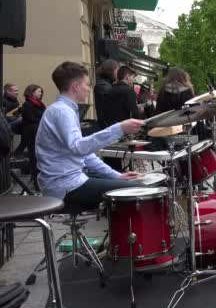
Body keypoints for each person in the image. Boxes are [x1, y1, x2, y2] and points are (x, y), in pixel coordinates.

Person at [35, 61, 144, 208]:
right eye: (86, 84)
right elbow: (79, 148)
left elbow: (84, 154)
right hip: (65, 185)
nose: (88, 89)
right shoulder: (62, 112)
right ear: (75, 86)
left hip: (69, 180)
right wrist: (119, 128)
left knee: (129, 185)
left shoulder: (64, 110)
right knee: (137, 191)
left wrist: (116, 175)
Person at [21, 84, 46, 190]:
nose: (41, 94)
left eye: (41, 92)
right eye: (38, 91)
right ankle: (37, 183)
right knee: (34, 158)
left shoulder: (41, 104)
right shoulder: (27, 105)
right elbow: (31, 118)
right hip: (32, 134)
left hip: (40, 132)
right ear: (32, 92)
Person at [94, 59, 118, 129]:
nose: (118, 73)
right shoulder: (104, 86)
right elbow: (110, 110)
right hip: (107, 126)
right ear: (111, 71)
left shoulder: (106, 84)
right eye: (117, 70)